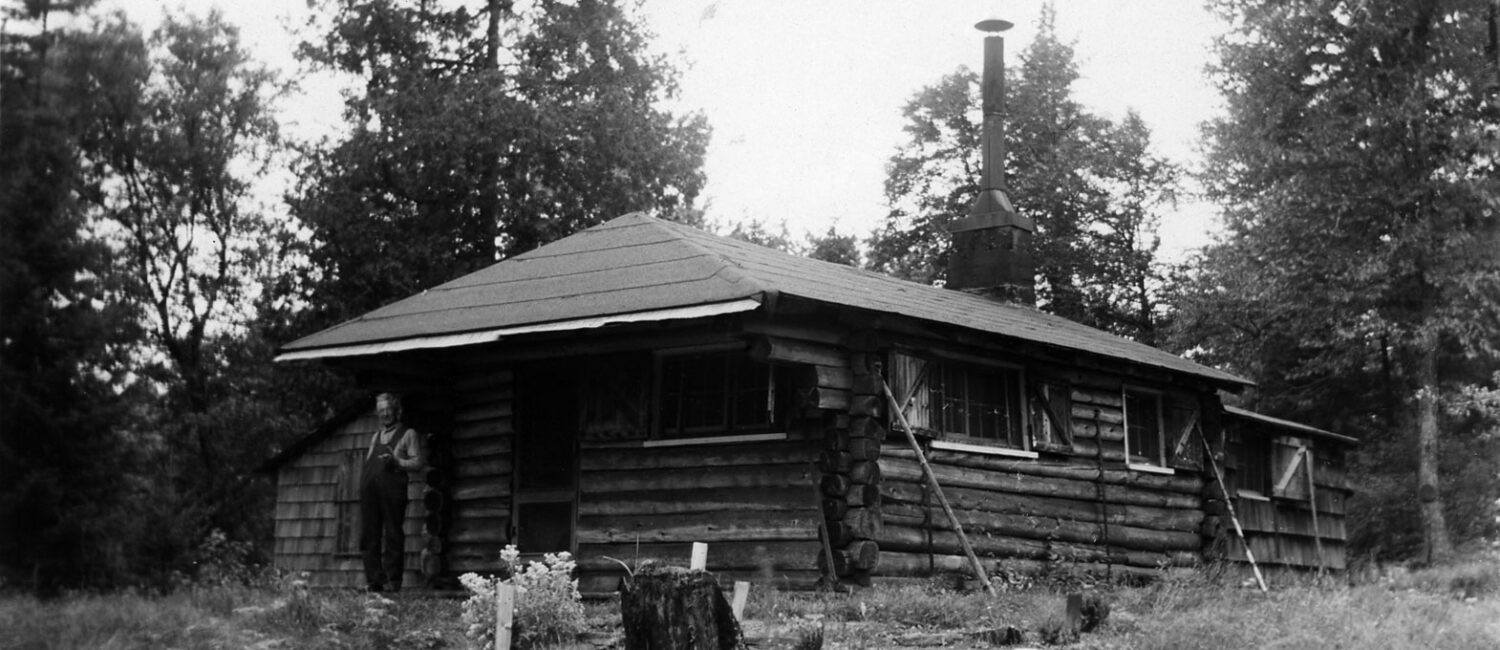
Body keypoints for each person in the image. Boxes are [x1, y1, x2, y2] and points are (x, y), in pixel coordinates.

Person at [361, 392, 427, 592]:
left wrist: (397, 462)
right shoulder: (376, 436)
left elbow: (418, 462)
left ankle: (392, 580)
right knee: (370, 535)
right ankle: (374, 580)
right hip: (371, 490)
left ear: (396, 411)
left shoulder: (408, 434)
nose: (385, 414)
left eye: (388, 410)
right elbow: (368, 463)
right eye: (381, 411)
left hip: (393, 490)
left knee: (393, 534)